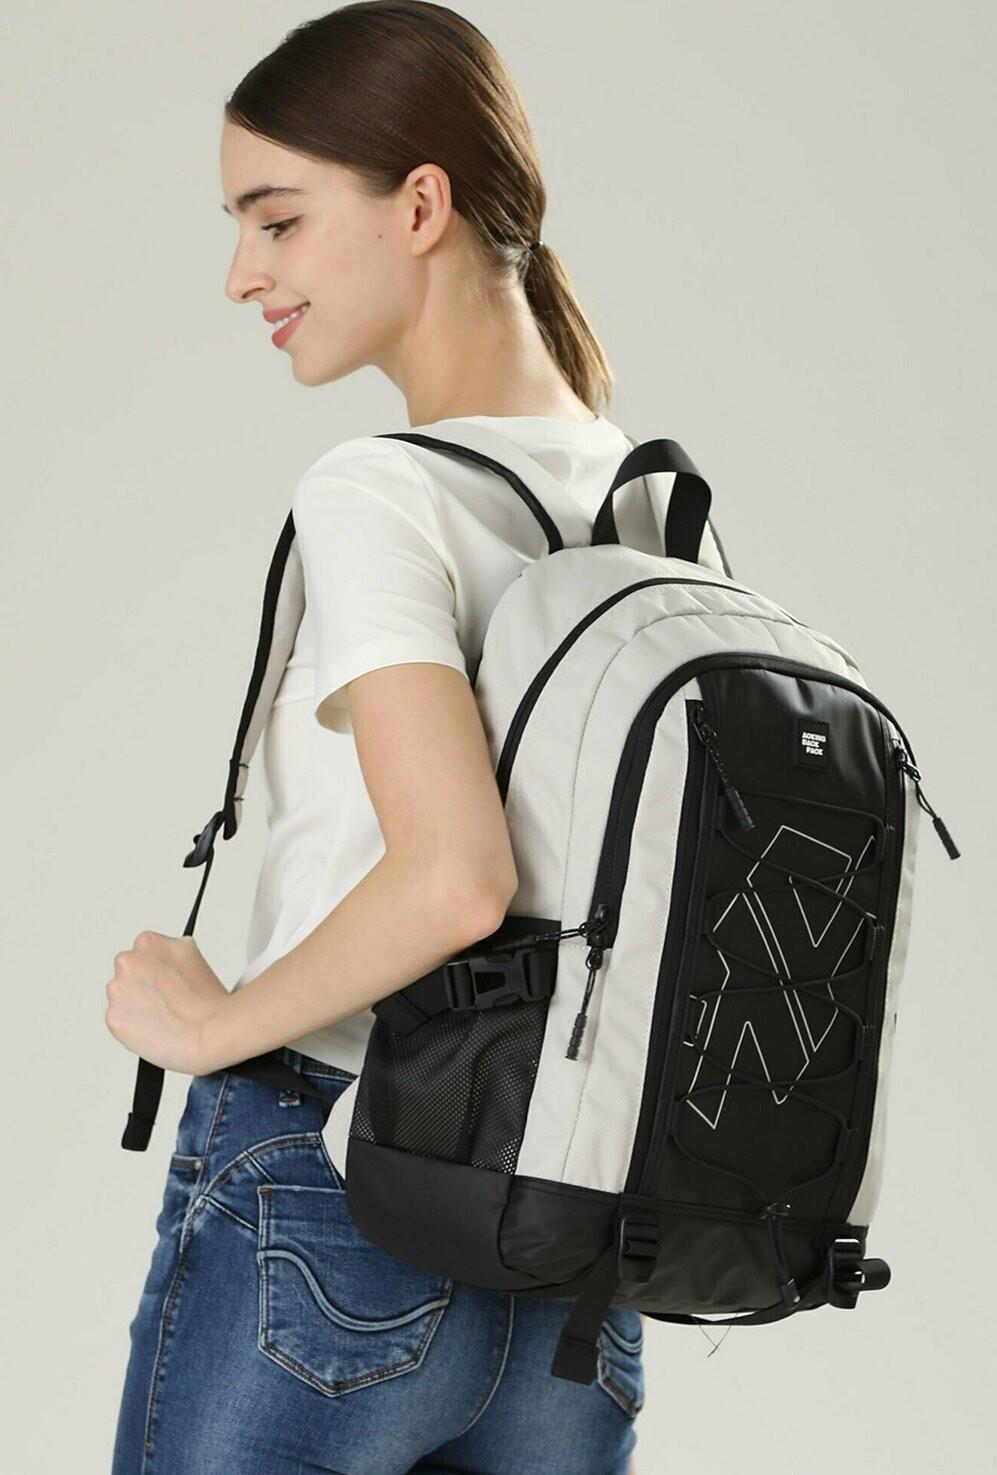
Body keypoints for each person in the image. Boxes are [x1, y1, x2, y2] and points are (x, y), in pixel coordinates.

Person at [107, 4, 646, 1471]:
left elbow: (459, 875)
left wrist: (213, 1028)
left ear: (420, 205)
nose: (243, 273)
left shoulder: (381, 491)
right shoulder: (649, 506)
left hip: (338, 1197)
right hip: (572, 1249)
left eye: (276, 220)